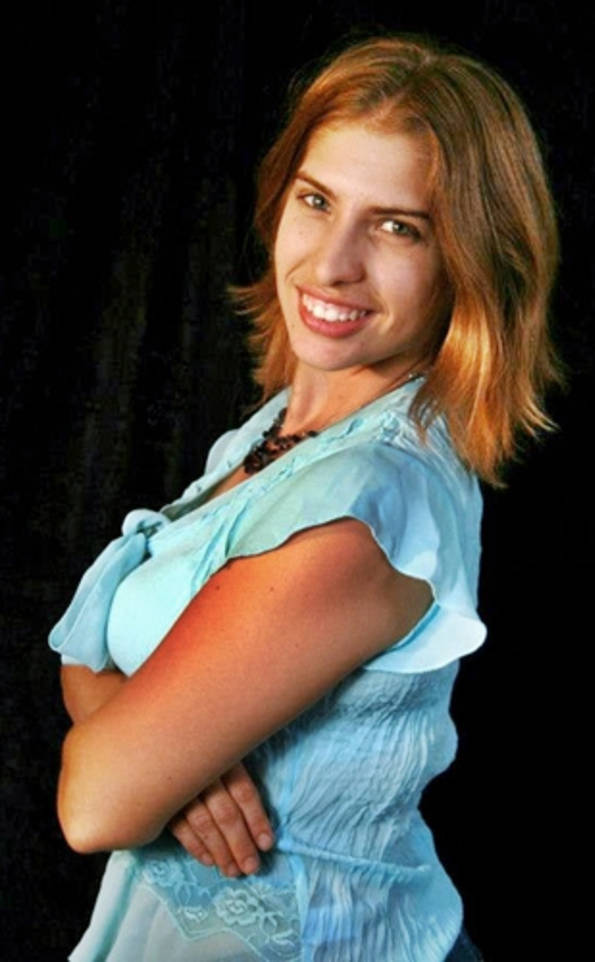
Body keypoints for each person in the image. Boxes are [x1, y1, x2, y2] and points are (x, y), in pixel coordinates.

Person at [50, 34, 560, 962]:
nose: (331, 265)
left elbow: (96, 805)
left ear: (470, 262)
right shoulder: (279, 434)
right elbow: (89, 652)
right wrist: (173, 756)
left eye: (398, 227)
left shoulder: (365, 503)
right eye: (317, 201)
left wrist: (155, 756)